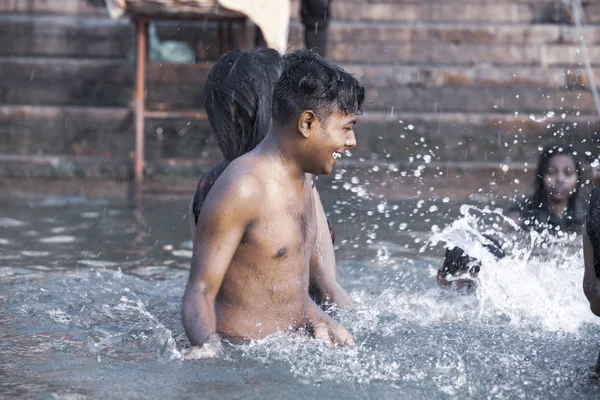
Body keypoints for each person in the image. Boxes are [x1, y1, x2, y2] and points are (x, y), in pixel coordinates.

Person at [182, 49, 364, 356]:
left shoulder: (303, 180)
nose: (351, 142)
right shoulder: (243, 187)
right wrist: (208, 349)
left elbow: (282, 283)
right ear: (307, 124)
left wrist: (323, 320)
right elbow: (199, 290)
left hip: (287, 352)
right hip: (241, 358)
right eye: (346, 129)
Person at [438, 145, 585, 289]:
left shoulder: (586, 214)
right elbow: (500, 243)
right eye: (552, 172)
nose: (560, 179)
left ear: (578, 176)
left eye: (568, 173)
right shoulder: (521, 213)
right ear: (541, 176)